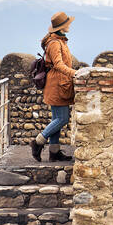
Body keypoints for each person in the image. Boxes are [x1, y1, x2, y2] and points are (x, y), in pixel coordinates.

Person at [32, 11, 78, 161]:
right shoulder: (54, 43)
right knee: (62, 119)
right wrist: (74, 73)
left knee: (57, 119)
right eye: (67, 23)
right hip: (57, 85)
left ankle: (54, 152)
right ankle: (38, 142)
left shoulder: (59, 41)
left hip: (59, 83)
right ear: (62, 26)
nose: (69, 25)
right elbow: (58, 64)